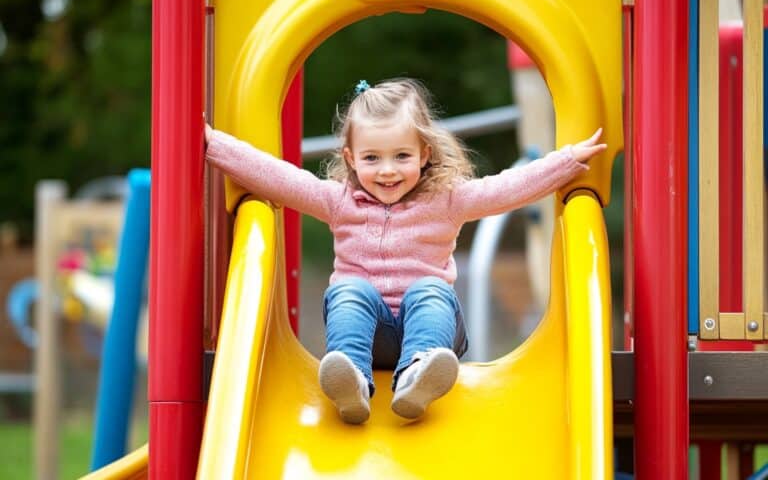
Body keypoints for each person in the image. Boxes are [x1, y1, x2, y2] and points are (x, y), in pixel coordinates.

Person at [205, 78, 606, 424]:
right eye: (372, 158)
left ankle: (420, 376)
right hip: (368, 336)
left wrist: (567, 162)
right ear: (351, 159)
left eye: (401, 156)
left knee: (429, 289)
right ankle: (351, 381)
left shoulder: (448, 200)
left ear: (424, 155)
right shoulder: (338, 201)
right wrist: (212, 144)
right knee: (349, 291)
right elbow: (279, 177)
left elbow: (506, 187)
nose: (388, 170)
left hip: (433, 331)